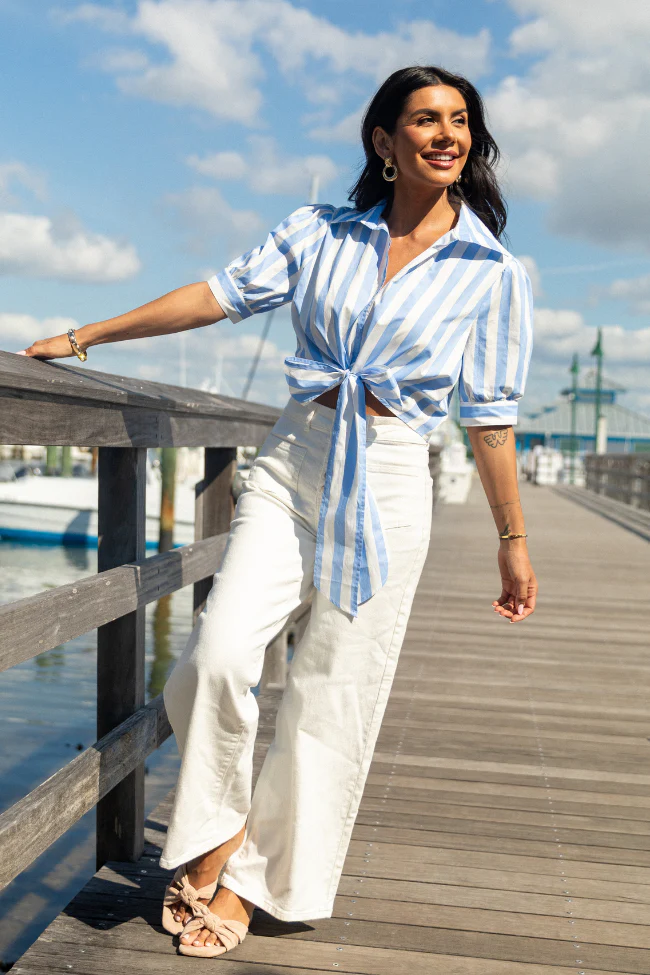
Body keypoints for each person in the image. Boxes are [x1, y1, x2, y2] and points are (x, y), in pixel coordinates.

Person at [18, 65, 538, 958]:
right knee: (218, 655)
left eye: (459, 121)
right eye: (425, 120)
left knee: (334, 694)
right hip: (295, 459)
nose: (446, 134)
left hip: (390, 479)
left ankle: (256, 885)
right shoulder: (318, 232)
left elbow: (490, 420)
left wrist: (512, 540)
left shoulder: (492, 269)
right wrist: (85, 335)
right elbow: (215, 296)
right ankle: (213, 835)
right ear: (384, 141)